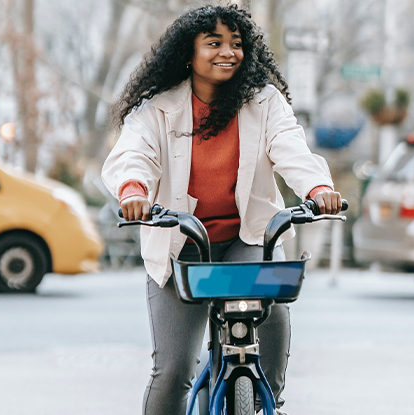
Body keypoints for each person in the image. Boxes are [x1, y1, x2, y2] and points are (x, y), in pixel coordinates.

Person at [101, 4, 342, 415]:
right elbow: (134, 153)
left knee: (274, 318)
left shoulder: (264, 102)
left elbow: (291, 147)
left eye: (236, 43)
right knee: (173, 370)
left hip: (247, 238)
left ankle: (268, 403)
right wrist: (133, 191)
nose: (227, 51)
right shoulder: (157, 108)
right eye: (213, 43)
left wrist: (318, 188)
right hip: (183, 246)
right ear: (188, 54)